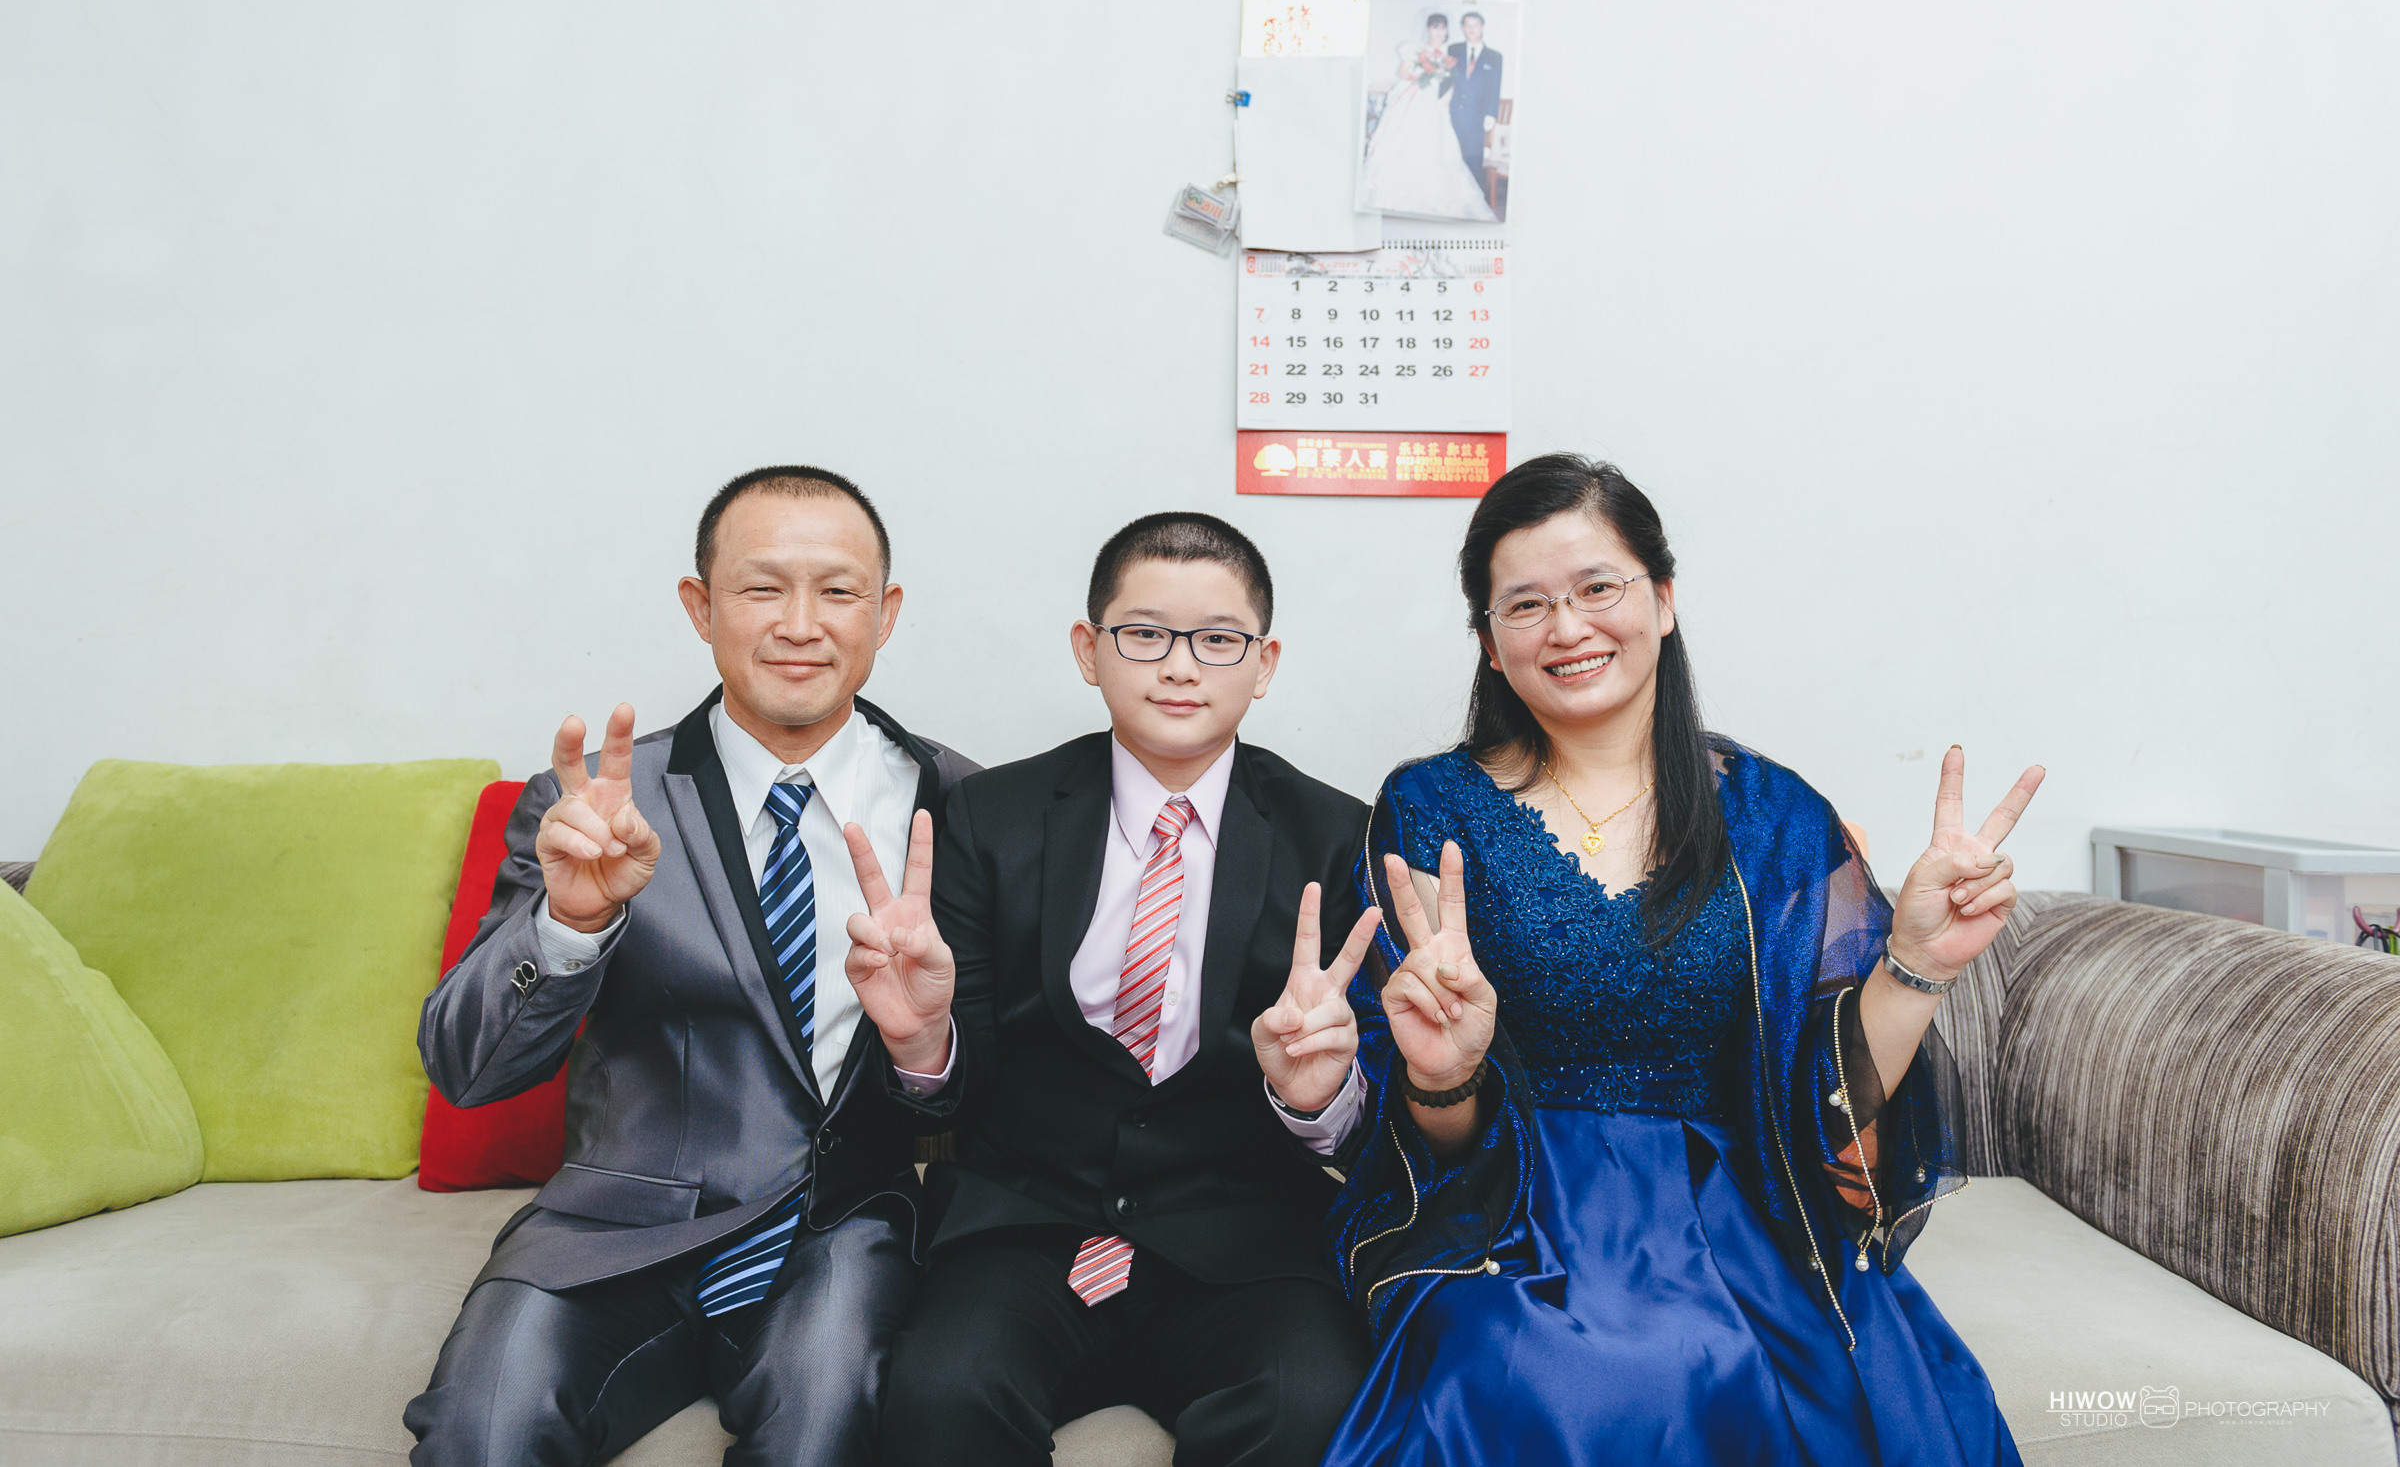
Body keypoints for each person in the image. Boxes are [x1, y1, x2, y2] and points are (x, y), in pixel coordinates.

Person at [1258, 453, 2041, 1465]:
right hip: (1509, 1208)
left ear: (1663, 600)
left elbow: (1828, 1097)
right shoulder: (1428, 809)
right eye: (1525, 604)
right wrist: (1444, 1076)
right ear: (1490, 641)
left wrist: (1918, 962)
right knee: (1544, 1375)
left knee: (1743, 1369)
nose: (1567, 628)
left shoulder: (1772, 813)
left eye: (1598, 587)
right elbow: (1418, 1133)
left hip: (1741, 1205)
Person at [406, 466, 978, 1467]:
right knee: (482, 1429)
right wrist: (570, 922)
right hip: (611, 1225)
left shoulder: (964, 806)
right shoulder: (594, 807)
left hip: (840, 1225)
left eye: (837, 591)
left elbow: (994, 1091)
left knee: (824, 1425)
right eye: (762, 587)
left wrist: (926, 1044)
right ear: (700, 606)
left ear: (884, 614)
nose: (800, 624)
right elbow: (468, 1070)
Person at [866, 512, 1377, 1467]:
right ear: (1088, 649)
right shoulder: (990, 816)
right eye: (1144, 633)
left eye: (1217, 640)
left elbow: (1358, 1117)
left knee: (1312, 1402)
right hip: (1027, 1225)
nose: (1180, 666)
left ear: (1263, 663)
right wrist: (923, 1042)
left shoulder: (1334, 834)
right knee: (940, 1394)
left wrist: (1316, 1097)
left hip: (1243, 1241)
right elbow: (954, 1086)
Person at [1359, 13, 1498, 223]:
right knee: (1409, 144)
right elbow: (1403, 72)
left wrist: (1446, 97)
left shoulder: (1451, 52)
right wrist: (1424, 73)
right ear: (1428, 29)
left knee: (1438, 145)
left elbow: (1455, 82)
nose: (1439, 32)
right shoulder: (1415, 49)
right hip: (1417, 100)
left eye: (1443, 28)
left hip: (1437, 104)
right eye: (1435, 28)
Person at [1445, 10, 1504, 191]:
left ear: (1482, 28)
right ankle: (1452, 192)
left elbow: (1495, 87)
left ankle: (1471, 193)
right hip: (1453, 112)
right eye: (1467, 25)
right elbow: (1446, 80)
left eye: (1475, 25)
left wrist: (1491, 114)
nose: (1471, 29)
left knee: (1473, 157)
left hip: (1478, 116)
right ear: (1463, 28)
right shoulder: (1453, 50)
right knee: (1452, 154)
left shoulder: (1495, 57)